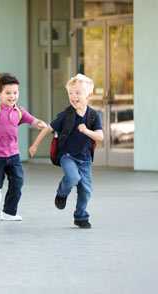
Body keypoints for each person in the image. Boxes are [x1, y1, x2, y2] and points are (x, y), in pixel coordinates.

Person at [29, 74, 103, 229]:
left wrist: (86, 131)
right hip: (67, 156)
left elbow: (100, 136)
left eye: (78, 93)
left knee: (86, 190)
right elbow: (48, 128)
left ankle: (80, 217)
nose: (73, 96)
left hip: (85, 159)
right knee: (73, 177)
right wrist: (35, 145)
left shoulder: (93, 115)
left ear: (88, 95)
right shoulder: (66, 115)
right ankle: (62, 193)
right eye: (71, 93)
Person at [0, 73, 47, 221]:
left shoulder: (19, 111)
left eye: (15, 93)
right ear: (0, 93)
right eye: (8, 93)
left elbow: (32, 120)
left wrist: (40, 124)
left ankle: (9, 212)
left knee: (18, 182)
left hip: (13, 154)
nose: (12, 96)